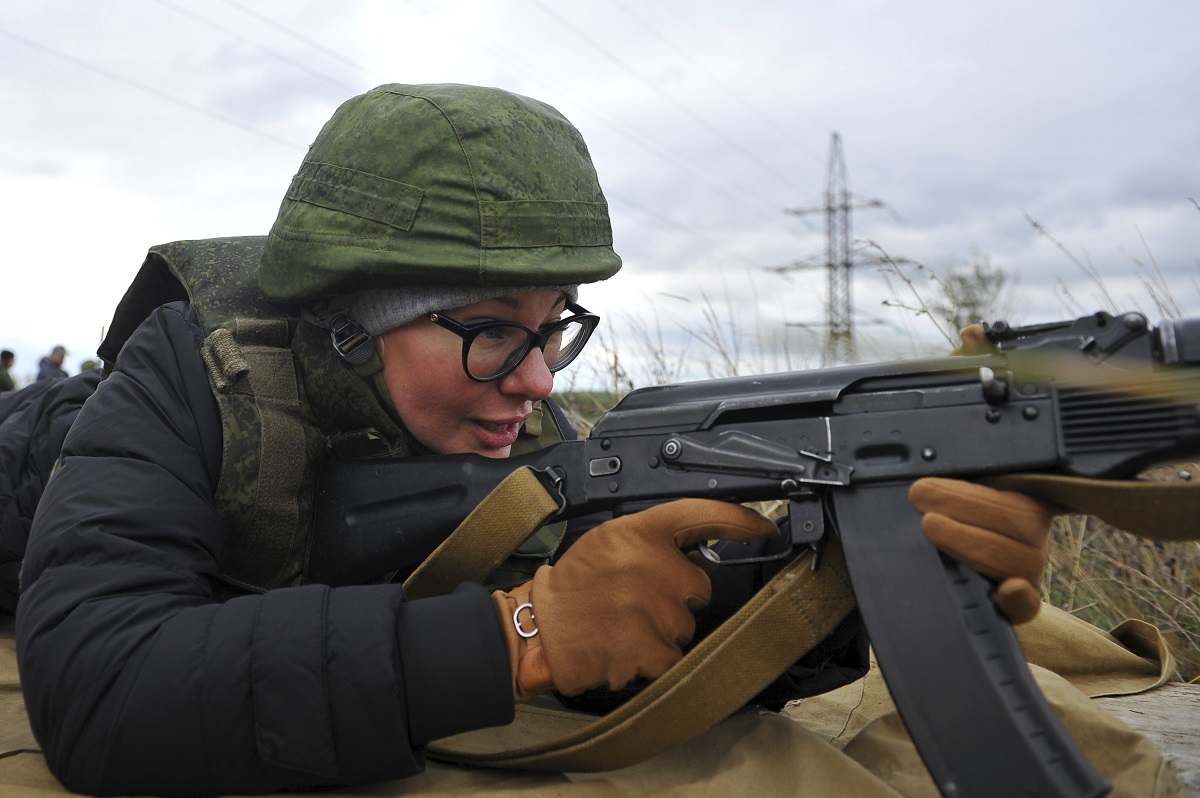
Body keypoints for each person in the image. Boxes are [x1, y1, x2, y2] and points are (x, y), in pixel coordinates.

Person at [14, 84, 1053, 796]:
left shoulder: (524, 425)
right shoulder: (190, 371)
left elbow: (628, 622)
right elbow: (98, 690)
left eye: (554, 322)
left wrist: (840, 589)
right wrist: (518, 637)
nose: (538, 378)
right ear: (350, 324)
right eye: (491, 329)